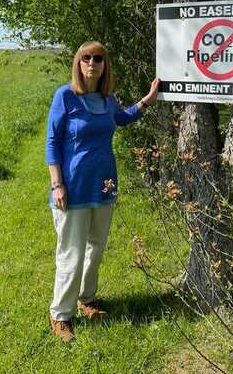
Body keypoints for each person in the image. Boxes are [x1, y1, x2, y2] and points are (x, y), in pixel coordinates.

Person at [45, 41, 159, 343]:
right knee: (71, 253)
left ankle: (86, 300)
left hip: (104, 184)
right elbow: (52, 144)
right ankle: (60, 314)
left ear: (104, 64)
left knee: (95, 247)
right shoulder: (65, 97)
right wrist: (57, 184)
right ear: (79, 63)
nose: (92, 63)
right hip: (73, 188)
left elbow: (123, 118)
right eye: (86, 58)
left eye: (98, 58)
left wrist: (148, 99)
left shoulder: (107, 100)